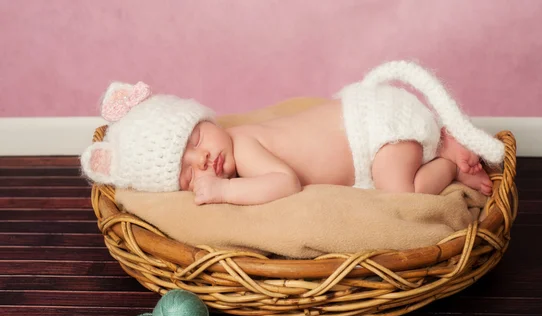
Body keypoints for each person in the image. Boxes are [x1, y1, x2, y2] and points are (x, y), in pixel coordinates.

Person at [81, 60, 504, 206]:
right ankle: (439, 152)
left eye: (194, 143)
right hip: (371, 130)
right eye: (187, 174)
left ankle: (448, 160)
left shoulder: (242, 144)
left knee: (401, 195)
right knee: (393, 177)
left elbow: (285, 183)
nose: (203, 161)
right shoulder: (236, 144)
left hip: (374, 128)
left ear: (204, 120)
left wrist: (223, 192)